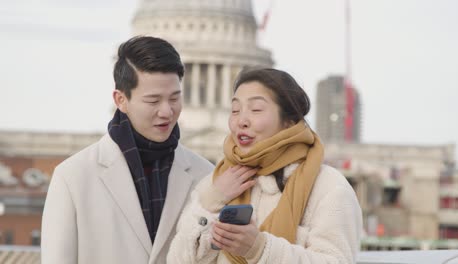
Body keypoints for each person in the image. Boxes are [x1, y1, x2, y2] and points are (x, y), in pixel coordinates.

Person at [41, 36, 214, 264]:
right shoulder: (72, 177)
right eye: (153, 101)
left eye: (174, 98)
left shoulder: (206, 175)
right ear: (120, 100)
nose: (167, 111)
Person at [167, 68, 362, 263]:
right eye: (235, 110)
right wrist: (210, 203)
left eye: (256, 110)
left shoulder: (327, 186)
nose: (241, 121)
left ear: (289, 121)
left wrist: (260, 249)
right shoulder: (216, 182)